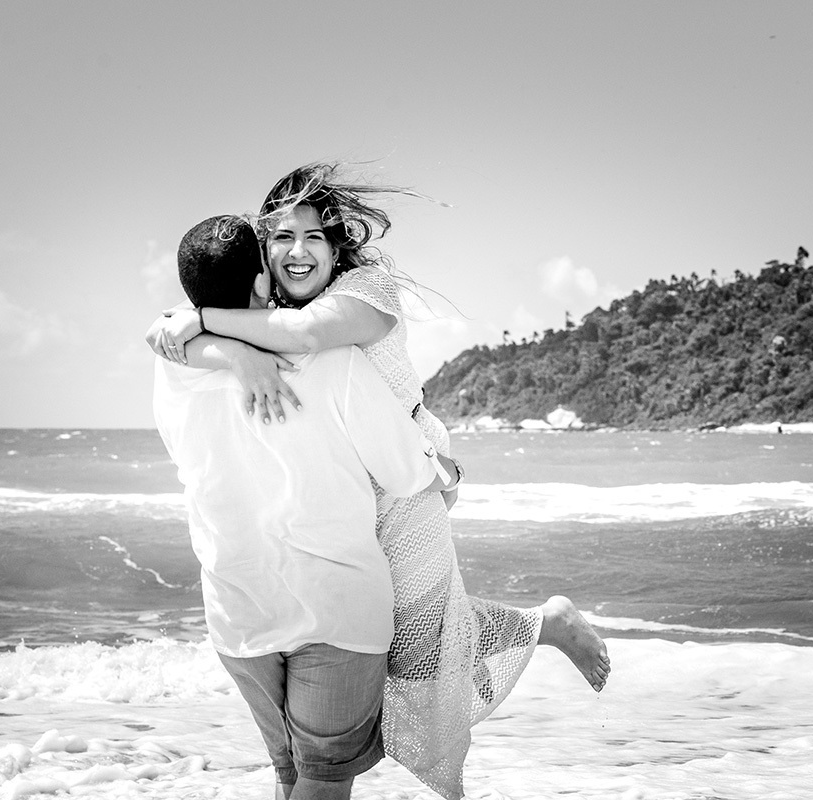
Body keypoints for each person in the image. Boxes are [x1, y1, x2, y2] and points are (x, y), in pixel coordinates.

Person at [147, 164, 610, 800]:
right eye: (280, 238)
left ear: (338, 247)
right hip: (350, 489)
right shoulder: (267, 313)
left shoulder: (364, 292)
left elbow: (308, 338)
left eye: (314, 237)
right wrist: (226, 343)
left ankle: (543, 624)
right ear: (262, 252)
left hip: (407, 484)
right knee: (387, 648)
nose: (297, 251)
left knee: (418, 653)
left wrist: (206, 324)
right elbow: (178, 329)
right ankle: (537, 626)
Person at [153, 215, 463, 800]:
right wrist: (444, 468)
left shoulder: (173, 369)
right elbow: (403, 473)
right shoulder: (336, 363)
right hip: (337, 608)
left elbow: (166, 338)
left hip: (237, 613)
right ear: (261, 282)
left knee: (288, 772)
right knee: (322, 776)